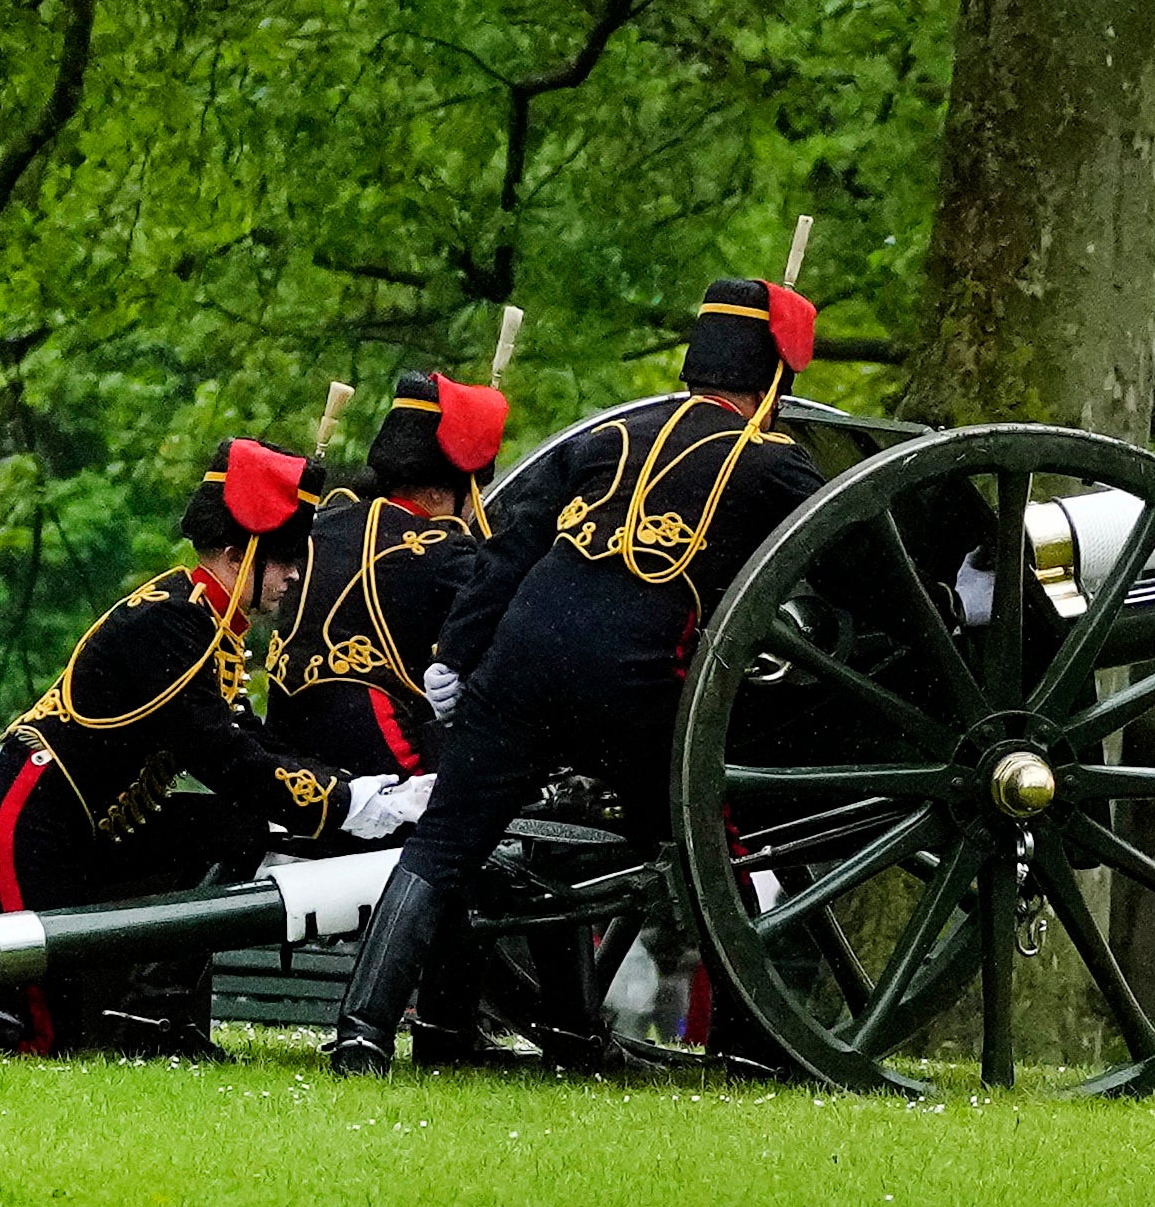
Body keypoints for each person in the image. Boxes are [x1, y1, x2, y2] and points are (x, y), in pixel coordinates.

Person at [335, 278, 835, 1074]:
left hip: (516, 666)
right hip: (634, 681)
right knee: (711, 841)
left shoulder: (611, 434)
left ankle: (360, 1034)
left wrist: (454, 657)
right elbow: (848, 552)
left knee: (441, 845)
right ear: (774, 379)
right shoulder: (773, 462)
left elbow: (507, 544)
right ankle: (749, 1041)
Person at [0, 440, 424, 1055]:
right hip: (23, 825)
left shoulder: (205, 624)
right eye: (281, 560)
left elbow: (251, 739)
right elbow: (225, 760)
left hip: (86, 830)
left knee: (232, 827)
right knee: (44, 1031)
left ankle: (160, 1017)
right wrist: (349, 804)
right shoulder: (172, 623)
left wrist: (360, 786)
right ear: (237, 554)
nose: (293, 576)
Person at [267, 368, 510, 778]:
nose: (475, 507)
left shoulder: (323, 520)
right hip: (382, 755)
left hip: (281, 746)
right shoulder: (445, 551)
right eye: (473, 493)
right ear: (437, 492)